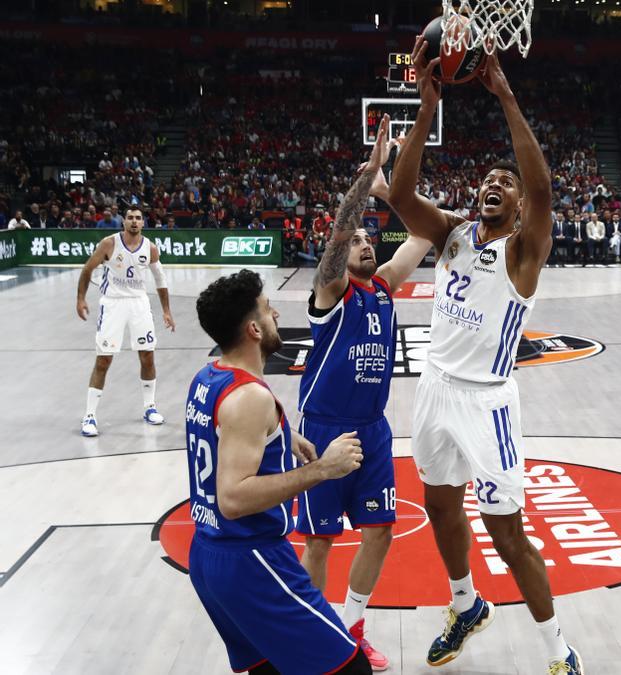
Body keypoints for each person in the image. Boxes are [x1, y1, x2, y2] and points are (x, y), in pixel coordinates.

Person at [383, 47, 583, 674]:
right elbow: (399, 196)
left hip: (488, 401)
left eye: (506, 184)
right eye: (488, 181)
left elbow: (544, 186)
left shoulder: (525, 252)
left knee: (507, 533)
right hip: (436, 389)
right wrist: (426, 109)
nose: (494, 186)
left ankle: (559, 652)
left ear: (521, 206)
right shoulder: (453, 233)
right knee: (440, 504)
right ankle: (465, 605)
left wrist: (504, 95)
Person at [295, 117, 433, 671]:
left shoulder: (383, 287)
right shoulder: (329, 290)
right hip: (324, 428)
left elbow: (423, 235)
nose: (364, 243)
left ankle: (351, 627)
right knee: (321, 541)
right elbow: (336, 236)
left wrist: (388, 191)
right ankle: (309, 635)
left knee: (380, 530)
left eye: (368, 238)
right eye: (354, 240)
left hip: (373, 429)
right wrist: (366, 177)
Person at [186, 269, 373, 675]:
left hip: (208, 555)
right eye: (268, 310)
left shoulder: (208, 378)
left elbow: (226, 435)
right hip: (250, 558)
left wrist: (283, 436)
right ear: (253, 329)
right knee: (350, 668)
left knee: (273, 669)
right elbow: (233, 499)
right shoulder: (250, 397)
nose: (275, 315)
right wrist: (323, 469)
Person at [75, 207, 175, 437]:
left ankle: (149, 407)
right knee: (103, 360)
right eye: (130, 217)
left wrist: (167, 311)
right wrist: (80, 299)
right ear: (123, 221)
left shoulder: (150, 248)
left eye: (138, 218)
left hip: (139, 305)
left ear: (142, 223)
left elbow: (160, 279)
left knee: (147, 356)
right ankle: (89, 415)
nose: (134, 221)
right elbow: (88, 269)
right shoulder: (109, 244)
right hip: (113, 304)